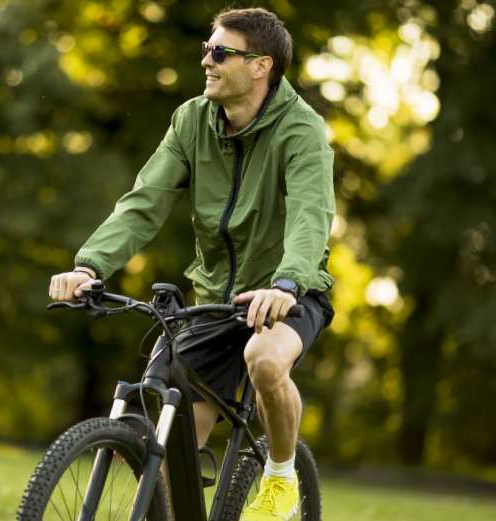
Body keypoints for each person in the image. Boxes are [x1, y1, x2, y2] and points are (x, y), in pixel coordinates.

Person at [49, 7, 335, 520]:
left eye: (220, 52)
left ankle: (280, 476)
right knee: (167, 460)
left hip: (289, 290)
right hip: (214, 302)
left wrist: (287, 283)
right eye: (206, 48)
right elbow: (144, 203)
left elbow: (311, 218)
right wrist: (90, 266)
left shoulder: (302, 131)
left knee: (266, 361)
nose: (206, 59)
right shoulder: (191, 120)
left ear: (260, 65)